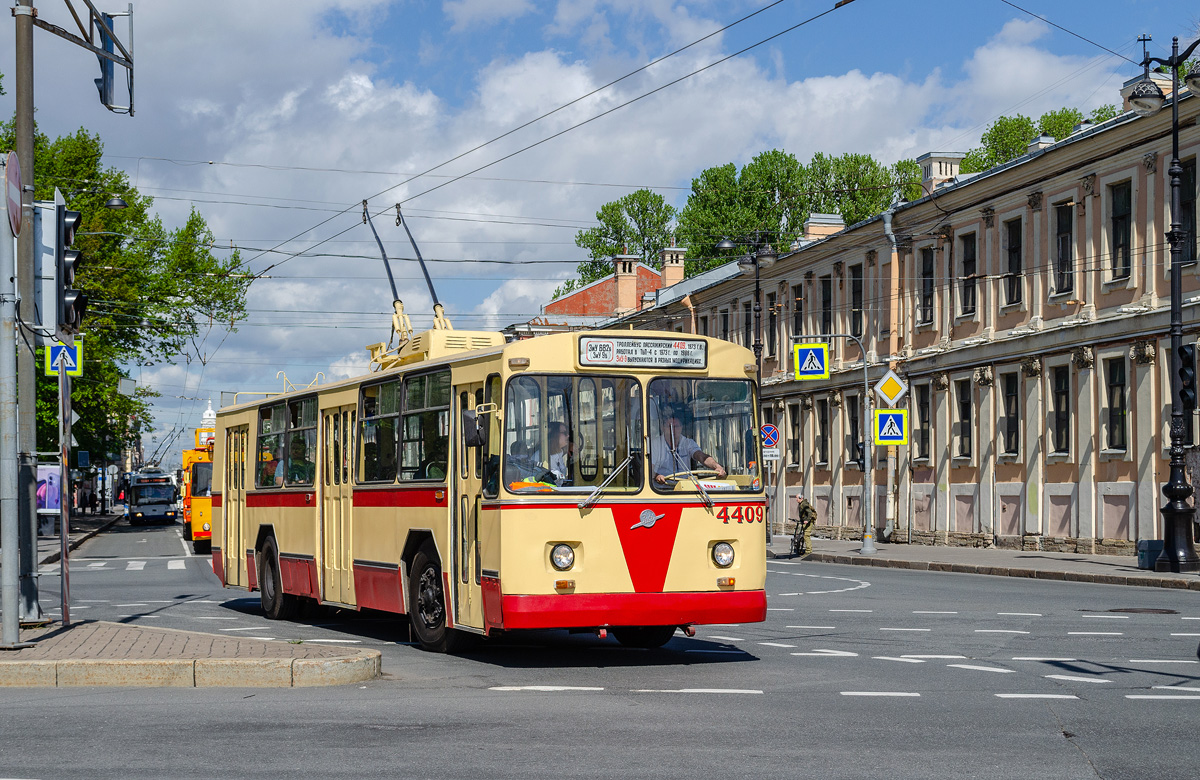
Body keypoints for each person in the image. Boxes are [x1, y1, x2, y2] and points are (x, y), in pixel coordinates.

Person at [650, 406, 725, 484]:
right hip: (661, 489)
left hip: (685, 488)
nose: (673, 430)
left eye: (676, 426)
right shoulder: (655, 444)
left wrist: (717, 466)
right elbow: (649, 468)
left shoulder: (688, 443)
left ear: (682, 427)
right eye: (670, 427)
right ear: (663, 428)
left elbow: (701, 456)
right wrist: (657, 476)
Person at [793, 492, 817, 556]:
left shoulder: (804, 504)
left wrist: (807, 520)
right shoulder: (801, 504)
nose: (796, 499)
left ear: (800, 498)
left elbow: (809, 513)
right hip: (804, 521)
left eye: (797, 498)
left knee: (806, 535)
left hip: (809, 521)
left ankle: (808, 551)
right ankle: (802, 548)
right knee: (803, 535)